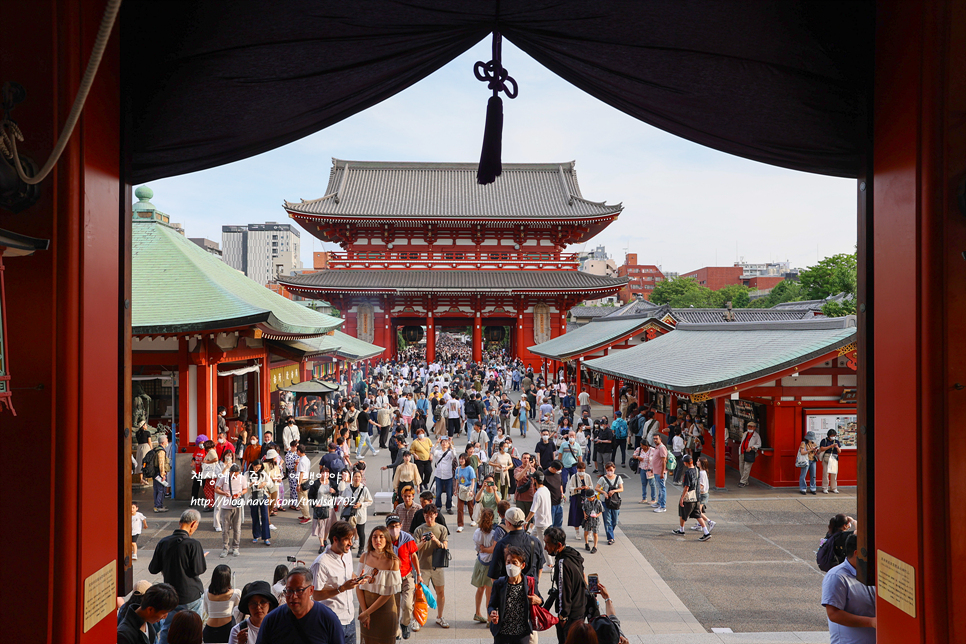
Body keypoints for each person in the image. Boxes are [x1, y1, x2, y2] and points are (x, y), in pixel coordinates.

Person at [148, 510, 207, 644]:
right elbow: (198, 570)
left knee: (167, 626)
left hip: (170, 595)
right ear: (193, 524)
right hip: (191, 595)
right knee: (193, 627)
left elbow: (153, 569)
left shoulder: (164, 542)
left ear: (180, 523)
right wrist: (200, 558)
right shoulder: (194, 544)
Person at [254, 567, 344, 644]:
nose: (293, 596)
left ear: (311, 590)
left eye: (299, 590)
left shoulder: (328, 619)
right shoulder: (272, 620)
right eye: (289, 590)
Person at [311, 520, 365, 644]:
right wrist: (341, 589)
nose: (350, 543)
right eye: (347, 539)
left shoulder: (347, 553)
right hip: (332, 621)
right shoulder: (321, 563)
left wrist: (358, 579)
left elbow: (348, 574)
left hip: (349, 618)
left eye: (351, 538)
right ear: (335, 539)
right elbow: (316, 595)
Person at [821, 534, 876, 643]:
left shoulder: (872, 573)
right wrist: (871, 622)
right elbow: (833, 614)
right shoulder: (837, 576)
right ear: (858, 553)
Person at [355, 526, 402, 644]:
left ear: (387, 540)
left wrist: (367, 612)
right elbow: (359, 586)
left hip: (385, 610)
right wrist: (365, 612)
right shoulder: (364, 557)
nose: (378, 540)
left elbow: (388, 593)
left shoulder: (393, 562)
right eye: (374, 537)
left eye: (381, 537)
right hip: (365, 605)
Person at [487, 546, 541, 644]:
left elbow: (540, 600)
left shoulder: (529, 583)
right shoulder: (499, 583)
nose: (510, 566)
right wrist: (492, 612)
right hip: (502, 634)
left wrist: (538, 601)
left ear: (522, 565)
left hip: (522, 634)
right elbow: (491, 605)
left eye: (514, 562)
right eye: (508, 562)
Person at [543, 526, 587, 642]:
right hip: (581, 609)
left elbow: (564, 591)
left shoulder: (562, 563)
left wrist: (563, 616)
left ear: (558, 545)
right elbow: (583, 576)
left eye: (547, 544)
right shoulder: (574, 554)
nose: (545, 548)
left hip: (571, 615)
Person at [412, 504, 450, 628]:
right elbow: (414, 549)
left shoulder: (442, 529)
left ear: (436, 515)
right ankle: (416, 619)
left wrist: (435, 540)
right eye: (427, 516)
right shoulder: (419, 530)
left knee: (441, 592)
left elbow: (445, 546)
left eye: (431, 516)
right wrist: (423, 542)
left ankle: (440, 617)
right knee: (419, 594)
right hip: (422, 566)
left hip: (437, 567)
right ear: (423, 516)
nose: (429, 519)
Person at [386, 515, 422, 639]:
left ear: (400, 526)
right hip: (392, 579)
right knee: (393, 608)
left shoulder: (408, 539)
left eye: (396, 526)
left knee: (407, 605)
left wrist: (419, 574)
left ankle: (405, 623)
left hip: (407, 576)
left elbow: (414, 556)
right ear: (387, 528)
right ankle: (396, 631)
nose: (394, 529)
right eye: (391, 527)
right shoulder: (384, 541)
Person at [489, 507, 546, 583]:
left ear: (508, 523)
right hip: (530, 590)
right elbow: (540, 568)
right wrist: (534, 585)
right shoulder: (535, 541)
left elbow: (494, 576)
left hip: (508, 590)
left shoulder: (502, 544)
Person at [670, 454, 712, 541]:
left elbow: (686, 487)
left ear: (685, 463)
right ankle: (706, 532)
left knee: (682, 513)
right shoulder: (697, 470)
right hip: (697, 497)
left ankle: (681, 530)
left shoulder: (688, 472)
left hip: (689, 497)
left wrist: (682, 498)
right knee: (697, 514)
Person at [202, 564, 241, 643]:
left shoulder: (206, 593)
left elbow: (207, 611)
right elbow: (237, 610)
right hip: (227, 628)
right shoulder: (236, 593)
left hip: (209, 629)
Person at [216, 463, 248, 557]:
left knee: (237, 528)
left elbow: (245, 489)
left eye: (236, 474)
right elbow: (216, 489)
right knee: (225, 529)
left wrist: (240, 493)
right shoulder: (224, 478)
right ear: (229, 472)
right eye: (233, 474)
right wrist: (224, 493)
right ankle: (225, 548)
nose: (234, 476)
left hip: (237, 505)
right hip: (226, 506)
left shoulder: (242, 478)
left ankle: (235, 547)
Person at [471, 508, 497, 624]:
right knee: (489, 592)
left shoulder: (477, 532)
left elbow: (477, 548)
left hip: (480, 561)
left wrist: (482, 549)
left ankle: (477, 612)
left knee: (480, 589)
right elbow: (494, 549)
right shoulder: (494, 533)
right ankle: (489, 617)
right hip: (490, 564)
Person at [341, 470, 374, 557]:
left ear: (361, 478)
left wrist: (361, 505)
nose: (357, 478)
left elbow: (370, 501)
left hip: (360, 514)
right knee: (349, 532)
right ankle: (349, 547)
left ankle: (361, 549)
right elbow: (342, 498)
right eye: (355, 476)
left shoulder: (364, 489)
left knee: (360, 532)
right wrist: (345, 502)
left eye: (359, 477)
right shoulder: (347, 488)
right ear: (352, 478)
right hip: (350, 514)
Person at [595, 462, 623, 545]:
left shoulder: (618, 478)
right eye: (608, 470)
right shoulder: (603, 478)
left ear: (614, 469)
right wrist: (604, 492)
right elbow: (596, 488)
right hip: (605, 501)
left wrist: (614, 490)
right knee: (607, 520)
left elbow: (621, 489)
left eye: (611, 470)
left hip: (615, 501)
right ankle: (610, 537)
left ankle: (610, 531)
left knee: (615, 521)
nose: (609, 472)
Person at [565, 461, 592, 539]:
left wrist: (587, 487)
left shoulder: (587, 476)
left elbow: (591, 486)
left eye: (583, 471)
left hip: (586, 497)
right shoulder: (574, 477)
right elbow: (570, 487)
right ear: (577, 469)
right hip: (576, 497)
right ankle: (577, 533)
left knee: (588, 515)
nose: (581, 472)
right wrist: (576, 488)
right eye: (580, 471)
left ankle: (589, 533)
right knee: (576, 515)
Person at [248, 459, 272, 546]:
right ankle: (256, 535)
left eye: (259, 467)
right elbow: (243, 484)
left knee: (265, 515)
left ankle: (266, 537)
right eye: (256, 467)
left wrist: (264, 483)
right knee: (254, 515)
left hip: (262, 494)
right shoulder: (247, 474)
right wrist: (250, 484)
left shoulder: (262, 473)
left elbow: (270, 483)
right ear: (253, 465)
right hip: (252, 495)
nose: (257, 469)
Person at [431, 436, 457, 515]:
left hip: (448, 475)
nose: (444, 444)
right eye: (443, 442)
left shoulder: (450, 453)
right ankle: (438, 506)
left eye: (446, 442)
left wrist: (451, 444)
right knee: (438, 493)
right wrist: (437, 442)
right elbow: (433, 452)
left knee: (449, 494)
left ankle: (448, 507)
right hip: (439, 475)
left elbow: (454, 454)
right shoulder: (438, 452)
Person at [454, 453, 477, 532]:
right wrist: (455, 490)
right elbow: (457, 480)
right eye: (460, 459)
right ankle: (460, 525)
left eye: (463, 459)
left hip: (469, 489)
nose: (461, 460)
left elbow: (473, 480)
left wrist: (471, 490)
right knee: (460, 508)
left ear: (466, 460)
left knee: (471, 506)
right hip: (461, 489)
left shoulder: (470, 469)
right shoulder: (458, 469)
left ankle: (473, 519)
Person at [736, 421, 762, 487]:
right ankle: (745, 480)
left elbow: (759, 444)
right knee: (741, 467)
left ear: (754, 428)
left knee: (747, 468)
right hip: (742, 452)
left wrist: (752, 447)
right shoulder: (745, 433)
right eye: (748, 426)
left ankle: (743, 481)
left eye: (751, 426)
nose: (749, 428)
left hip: (749, 453)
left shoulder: (756, 436)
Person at [819, 429, 843, 494]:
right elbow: (822, 448)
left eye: (834, 435)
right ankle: (825, 487)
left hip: (834, 458)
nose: (833, 437)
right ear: (829, 435)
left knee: (834, 473)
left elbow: (839, 451)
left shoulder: (836, 441)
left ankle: (834, 488)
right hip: (827, 457)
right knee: (825, 473)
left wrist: (837, 447)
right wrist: (830, 446)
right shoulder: (824, 441)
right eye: (832, 435)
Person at [650, 434, 669, 513]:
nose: (655, 440)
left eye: (656, 439)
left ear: (660, 439)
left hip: (660, 472)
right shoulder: (657, 447)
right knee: (659, 488)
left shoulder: (662, 448)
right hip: (656, 471)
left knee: (662, 489)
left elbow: (664, 461)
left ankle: (663, 506)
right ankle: (659, 503)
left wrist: (662, 473)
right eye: (654, 439)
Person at [545, 460, 565, 528]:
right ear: (553, 468)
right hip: (550, 504)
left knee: (559, 524)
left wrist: (562, 493)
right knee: (550, 524)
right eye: (558, 469)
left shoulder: (558, 474)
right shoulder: (545, 475)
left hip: (559, 502)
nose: (559, 471)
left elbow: (560, 484)